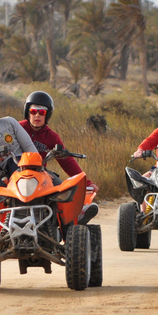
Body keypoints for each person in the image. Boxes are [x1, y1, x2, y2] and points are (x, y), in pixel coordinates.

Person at [18, 90, 98, 223]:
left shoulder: (51, 136)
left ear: (47, 114)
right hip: (17, 172)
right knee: (0, 193)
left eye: (42, 112)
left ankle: (73, 221)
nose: (37, 115)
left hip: (42, 173)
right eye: (33, 111)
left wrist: (87, 183)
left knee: (63, 192)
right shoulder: (17, 128)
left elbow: (67, 162)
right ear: (27, 112)